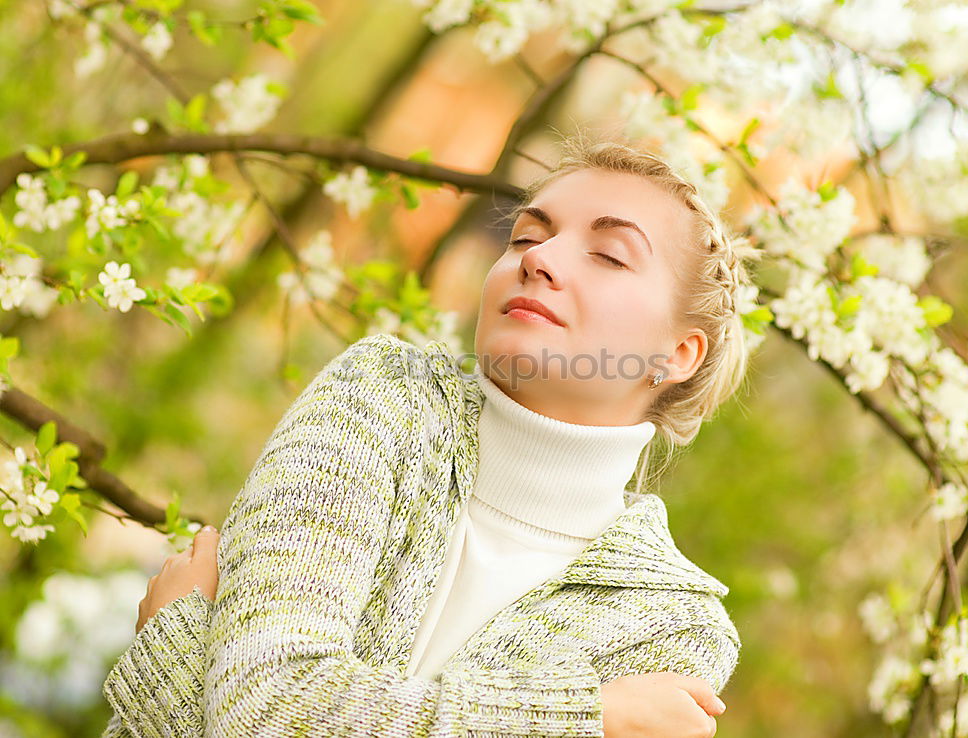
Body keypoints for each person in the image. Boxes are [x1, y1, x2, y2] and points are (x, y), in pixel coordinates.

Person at [101, 131, 755, 737]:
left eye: (610, 255)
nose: (542, 260)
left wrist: (178, 659)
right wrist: (577, 717)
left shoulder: (675, 625)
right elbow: (270, 700)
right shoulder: (382, 395)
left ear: (679, 353)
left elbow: (264, 712)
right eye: (526, 237)